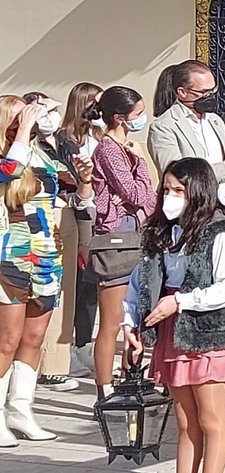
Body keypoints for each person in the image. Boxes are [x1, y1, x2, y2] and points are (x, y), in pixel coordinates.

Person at [121, 158, 225, 473]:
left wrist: (181, 301)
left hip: (207, 332)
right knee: (185, 419)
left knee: (211, 418)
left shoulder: (218, 232)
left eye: (179, 190)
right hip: (171, 331)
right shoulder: (161, 233)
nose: (170, 197)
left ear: (198, 192)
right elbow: (141, 282)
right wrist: (130, 323)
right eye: (166, 189)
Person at [0, 95, 68, 444]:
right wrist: (24, 128)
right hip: (9, 254)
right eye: (14, 119)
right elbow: (8, 172)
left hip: (45, 252)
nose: (22, 123)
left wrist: (48, 110)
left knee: (34, 337)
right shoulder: (8, 154)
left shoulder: (42, 151)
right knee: (6, 340)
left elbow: (69, 188)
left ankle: (21, 408)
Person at [87, 86, 158, 399]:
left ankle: (132, 380)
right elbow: (137, 194)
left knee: (134, 317)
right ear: (119, 118)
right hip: (116, 239)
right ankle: (103, 389)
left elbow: (149, 201)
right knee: (112, 320)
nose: (142, 119)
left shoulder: (124, 147)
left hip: (136, 234)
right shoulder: (108, 149)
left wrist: (137, 194)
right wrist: (141, 163)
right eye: (138, 114)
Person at [148, 60, 225, 217]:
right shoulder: (164, 126)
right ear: (182, 92)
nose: (210, 96)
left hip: (224, 208)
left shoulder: (214, 121)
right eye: (204, 92)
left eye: (213, 90)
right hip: (190, 212)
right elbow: (175, 176)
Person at [52, 82, 103, 383]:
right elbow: (70, 178)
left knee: (91, 286)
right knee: (77, 280)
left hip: (100, 213)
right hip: (77, 213)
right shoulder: (64, 139)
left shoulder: (100, 136)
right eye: (95, 103)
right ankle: (66, 346)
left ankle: (84, 342)